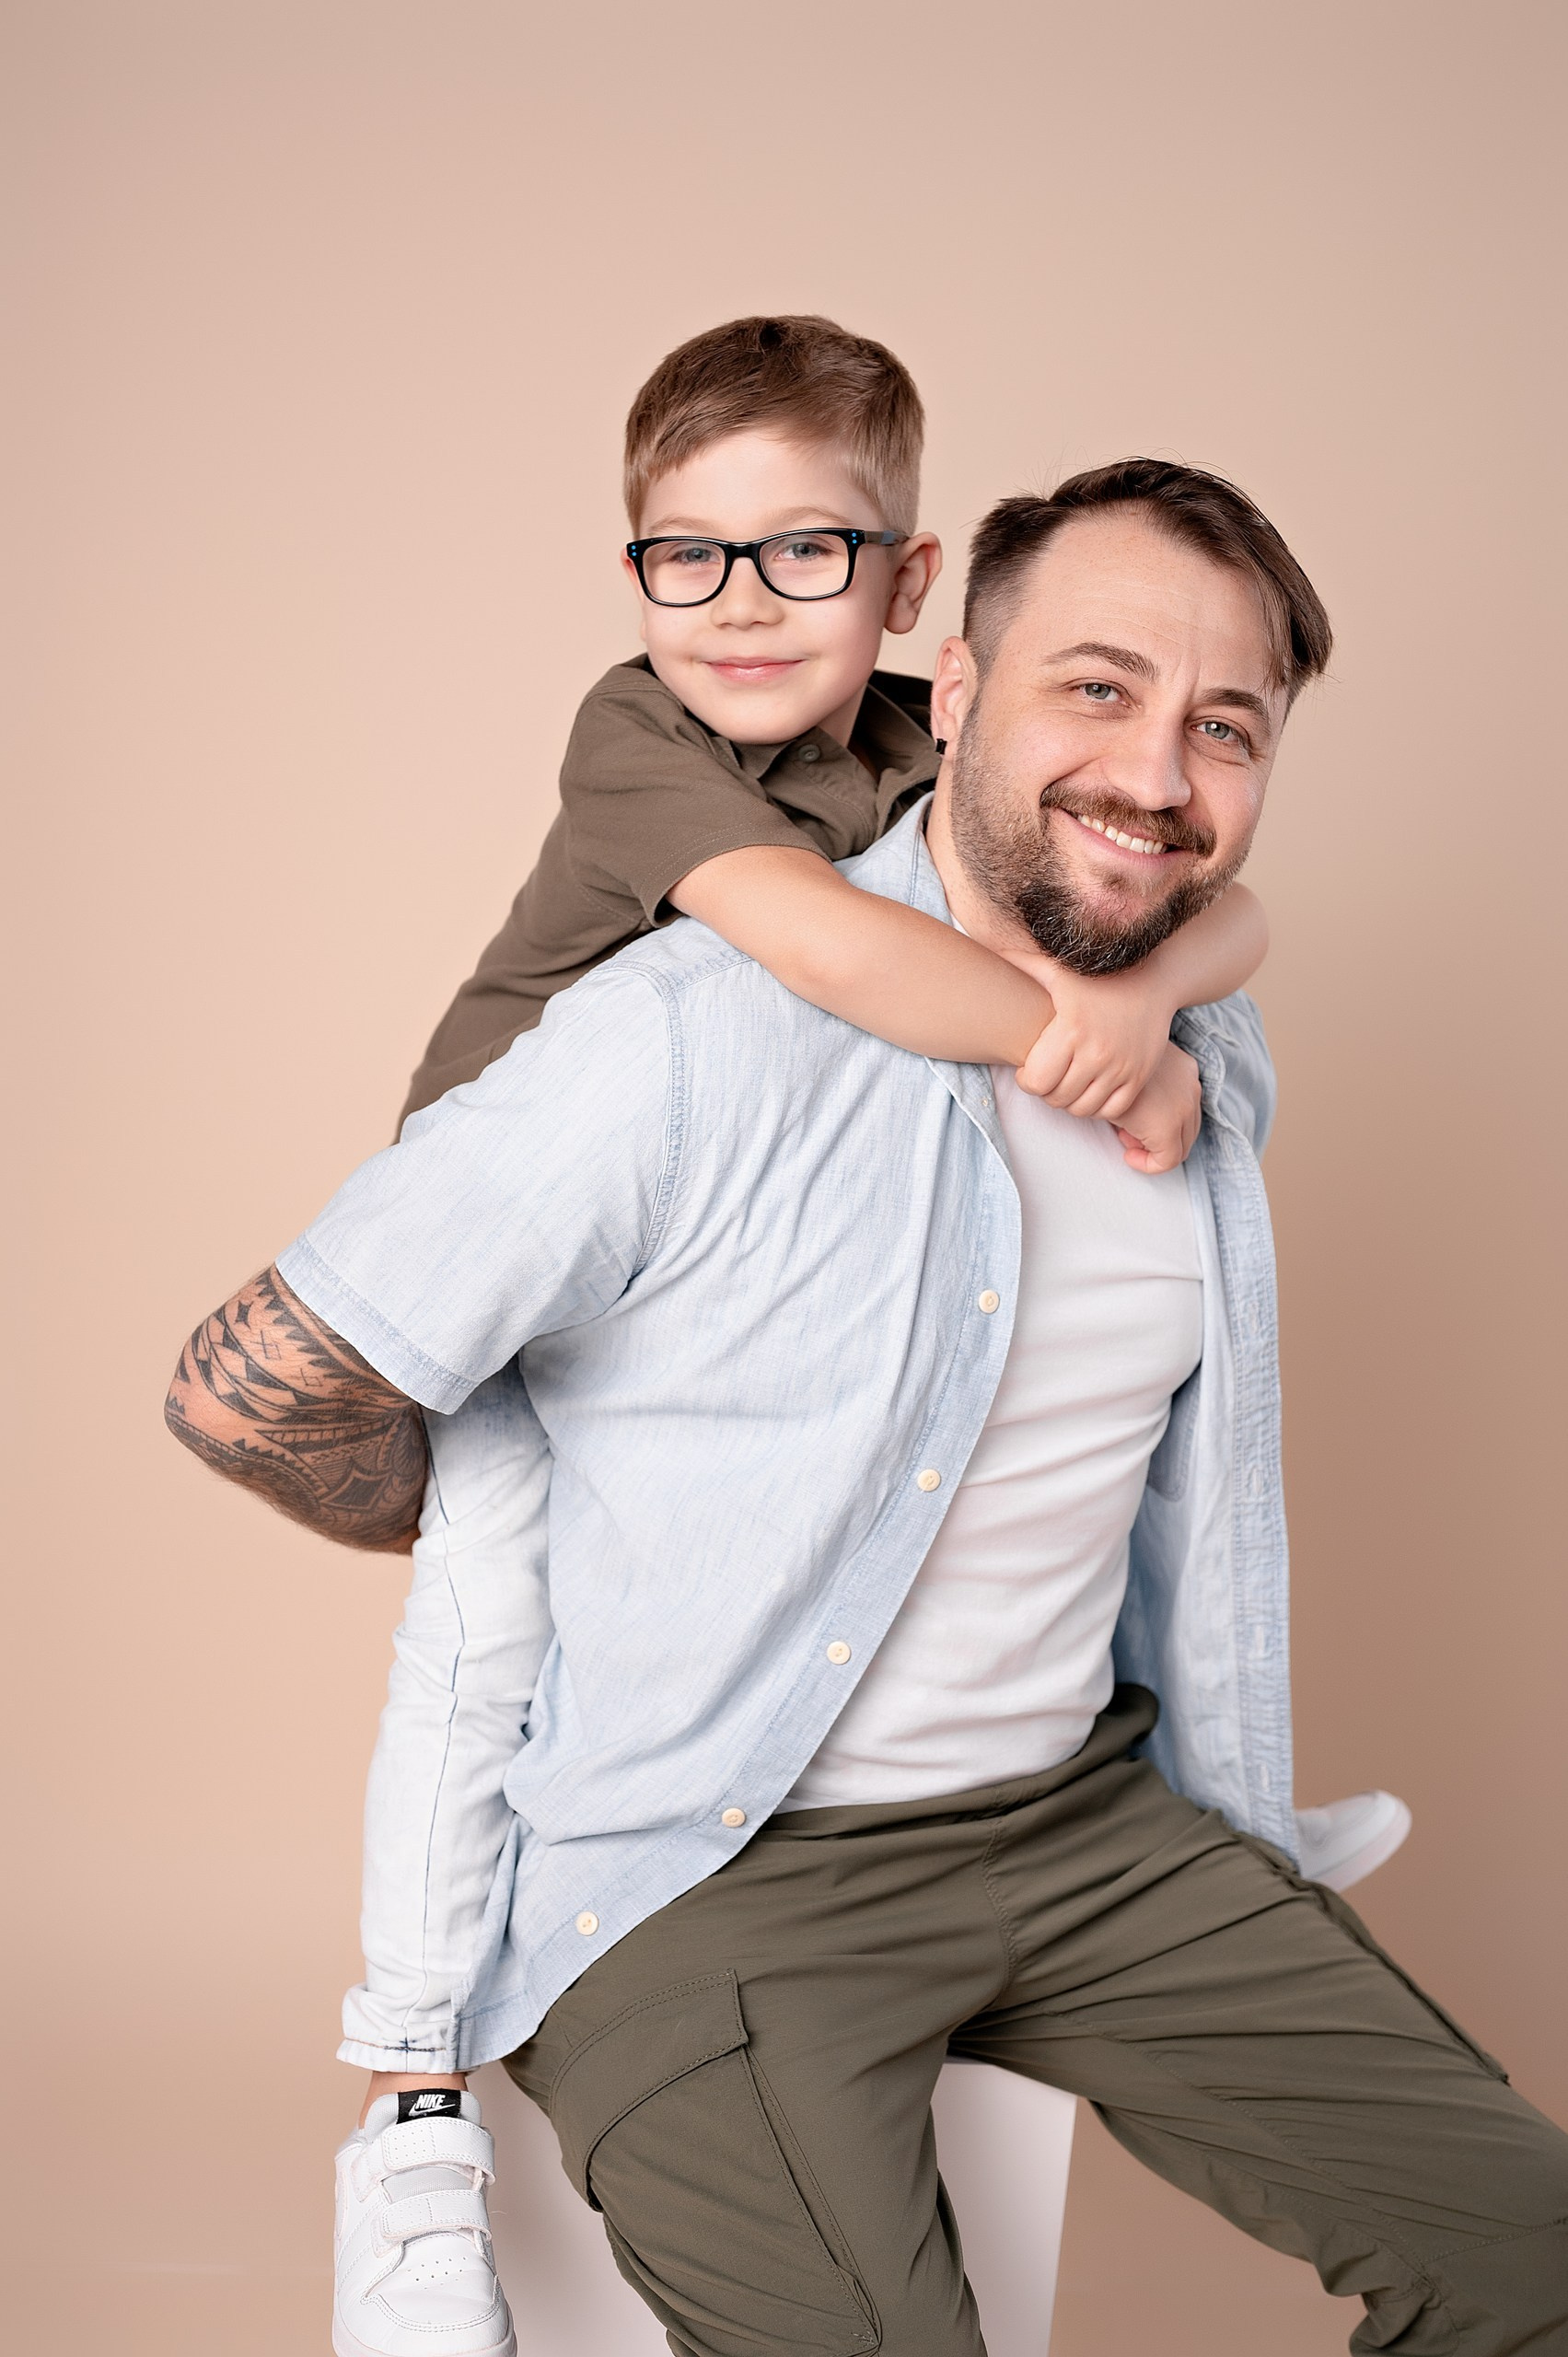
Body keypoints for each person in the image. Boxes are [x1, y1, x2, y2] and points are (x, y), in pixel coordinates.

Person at [172, 452, 1561, 2357]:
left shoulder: (1195, 1029)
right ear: (957, 693)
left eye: (1220, 726)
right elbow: (254, 1384)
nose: (1158, 774)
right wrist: (552, 1494)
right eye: (1097, 685)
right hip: (708, 1874)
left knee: (1542, 2259)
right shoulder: (691, 1031)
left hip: (1086, 1823)